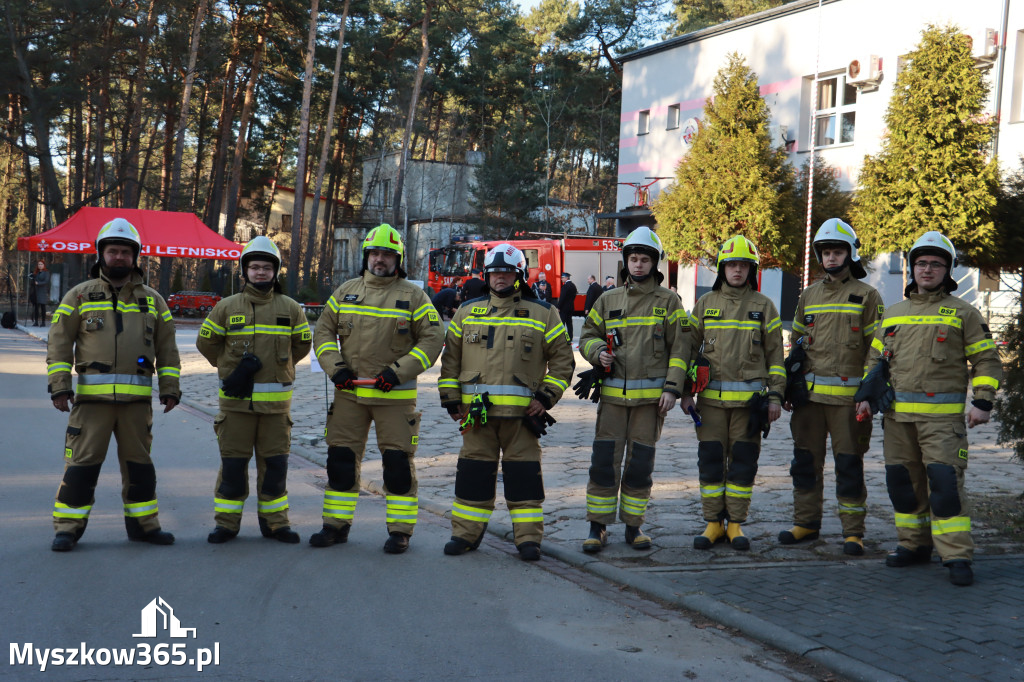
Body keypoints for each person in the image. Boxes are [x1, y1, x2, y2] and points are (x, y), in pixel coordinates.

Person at [856, 231, 1001, 587]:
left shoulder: (964, 313)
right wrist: (865, 394)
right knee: (903, 486)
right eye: (921, 263)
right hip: (897, 421)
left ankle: (955, 555)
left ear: (947, 271)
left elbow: (987, 361)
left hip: (942, 424)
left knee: (945, 487)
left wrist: (983, 402)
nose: (928, 269)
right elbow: (874, 361)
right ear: (912, 268)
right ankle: (913, 546)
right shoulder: (893, 314)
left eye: (936, 264)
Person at [46, 218, 181, 551]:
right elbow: (59, 343)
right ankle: (67, 529)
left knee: (140, 469)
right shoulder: (79, 296)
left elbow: (167, 349)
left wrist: (170, 388)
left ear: (135, 257)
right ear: (101, 255)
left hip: (136, 406)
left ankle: (144, 527)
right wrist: (60, 386)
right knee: (82, 467)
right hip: (92, 404)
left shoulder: (154, 301)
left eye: (125, 252)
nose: (118, 257)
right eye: (112, 251)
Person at [310, 224, 444, 553]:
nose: (380, 259)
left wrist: (398, 373)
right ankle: (335, 526)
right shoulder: (346, 292)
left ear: (398, 259)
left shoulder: (414, 296)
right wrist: (335, 368)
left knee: (397, 466)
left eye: (386, 254)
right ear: (366, 256)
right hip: (350, 395)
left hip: (393, 397)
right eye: (375, 253)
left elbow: (433, 337)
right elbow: (323, 333)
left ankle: (400, 532)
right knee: (340, 461)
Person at [438, 243, 575, 561]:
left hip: (522, 418)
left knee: (524, 479)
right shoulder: (466, 311)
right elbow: (451, 361)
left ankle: (528, 539)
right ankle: (464, 535)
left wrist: (545, 398)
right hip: (477, 417)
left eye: (507, 272)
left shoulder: (544, 313)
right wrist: (450, 400)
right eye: (494, 272)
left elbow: (563, 362)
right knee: (473, 476)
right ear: (486, 275)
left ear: (520, 275)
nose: (500, 277)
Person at [579, 227, 690, 553]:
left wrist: (672, 389)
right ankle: (596, 528)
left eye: (644, 259)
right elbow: (586, 336)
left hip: (650, 404)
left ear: (654, 263)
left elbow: (680, 351)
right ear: (625, 262)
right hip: (612, 401)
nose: (638, 265)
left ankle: (633, 526)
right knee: (603, 463)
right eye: (633, 258)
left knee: (640, 466)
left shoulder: (669, 302)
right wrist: (597, 351)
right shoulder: (607, 299)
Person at [197, 236, 312, 544]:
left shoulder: (290, 309)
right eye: (254, 267)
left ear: (276, 272)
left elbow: (302, 344)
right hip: (235, 408)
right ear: (244, 271)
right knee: (233, 468)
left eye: (266, 267)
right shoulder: (225, 307)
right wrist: (227, 369)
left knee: (275, 468)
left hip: (276, 410)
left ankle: (276, 524)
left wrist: (283, 367)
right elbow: (206, 343)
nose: (260, 273)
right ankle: (226, 525)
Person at [779, 219, 883, 556]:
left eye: (838, 251)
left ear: (850, 254)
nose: (832, 258)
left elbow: (876, 350)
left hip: (848, 403)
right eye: (826, 252)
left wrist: (868, 393)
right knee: (805, 464)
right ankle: (806, 523)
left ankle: (853, 532)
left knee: (849, 466)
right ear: (819, 256)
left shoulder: (868, 296)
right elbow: (797, 344)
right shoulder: (808, 294)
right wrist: (790, 386)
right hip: (809, 401)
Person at [680, 236, 785, 551]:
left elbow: (776, 357)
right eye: (731, 265)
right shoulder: (705, 304)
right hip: (709, 405)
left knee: (743, 464)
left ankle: (735, 524)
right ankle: (713, 523)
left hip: (749, 408)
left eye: (743, 265)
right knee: (710, 463)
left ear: (751, 269)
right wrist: (685, 392)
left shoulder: (764, 306)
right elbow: (686, 351)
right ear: (722, 268)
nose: (737, 270)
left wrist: (776, 397)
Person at [29, 260, 51, 326]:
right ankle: (36, 322)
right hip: (36, 291)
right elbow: (34, 280)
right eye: (39, 264)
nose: (40, 265)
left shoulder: (46, 272)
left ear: (44, 265)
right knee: (36, 307)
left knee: (42, 307)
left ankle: (43, 322)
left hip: (42, 291)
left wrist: (38, 283)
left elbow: (46, 281)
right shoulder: (37, 272)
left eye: (41, 264)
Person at [557, 271, 578, 340]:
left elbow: (562, 298)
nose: (561, 279)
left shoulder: (565, 286)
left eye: (562, 278)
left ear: (566, 278)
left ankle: (562, 337)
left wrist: (558, 307)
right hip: (571, 307)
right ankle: (570, 337)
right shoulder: (573, 285)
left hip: (564, 308)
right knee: (569, 323)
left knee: (562, 323)